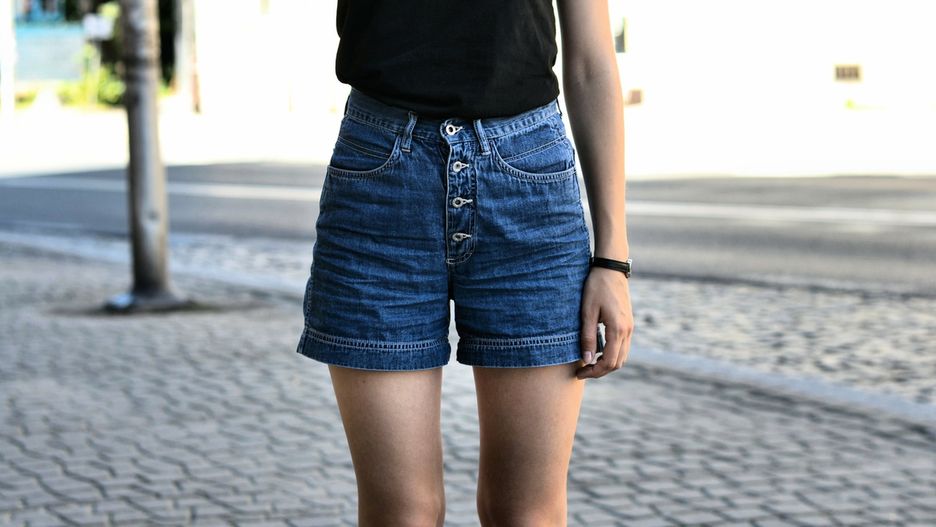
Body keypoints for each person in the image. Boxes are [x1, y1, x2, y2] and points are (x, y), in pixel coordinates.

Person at [296, 0, 634, 525]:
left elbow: (591, 61)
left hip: (528, 183)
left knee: (526, 515)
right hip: (380, 181)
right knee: (401, 516)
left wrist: (612, 261)